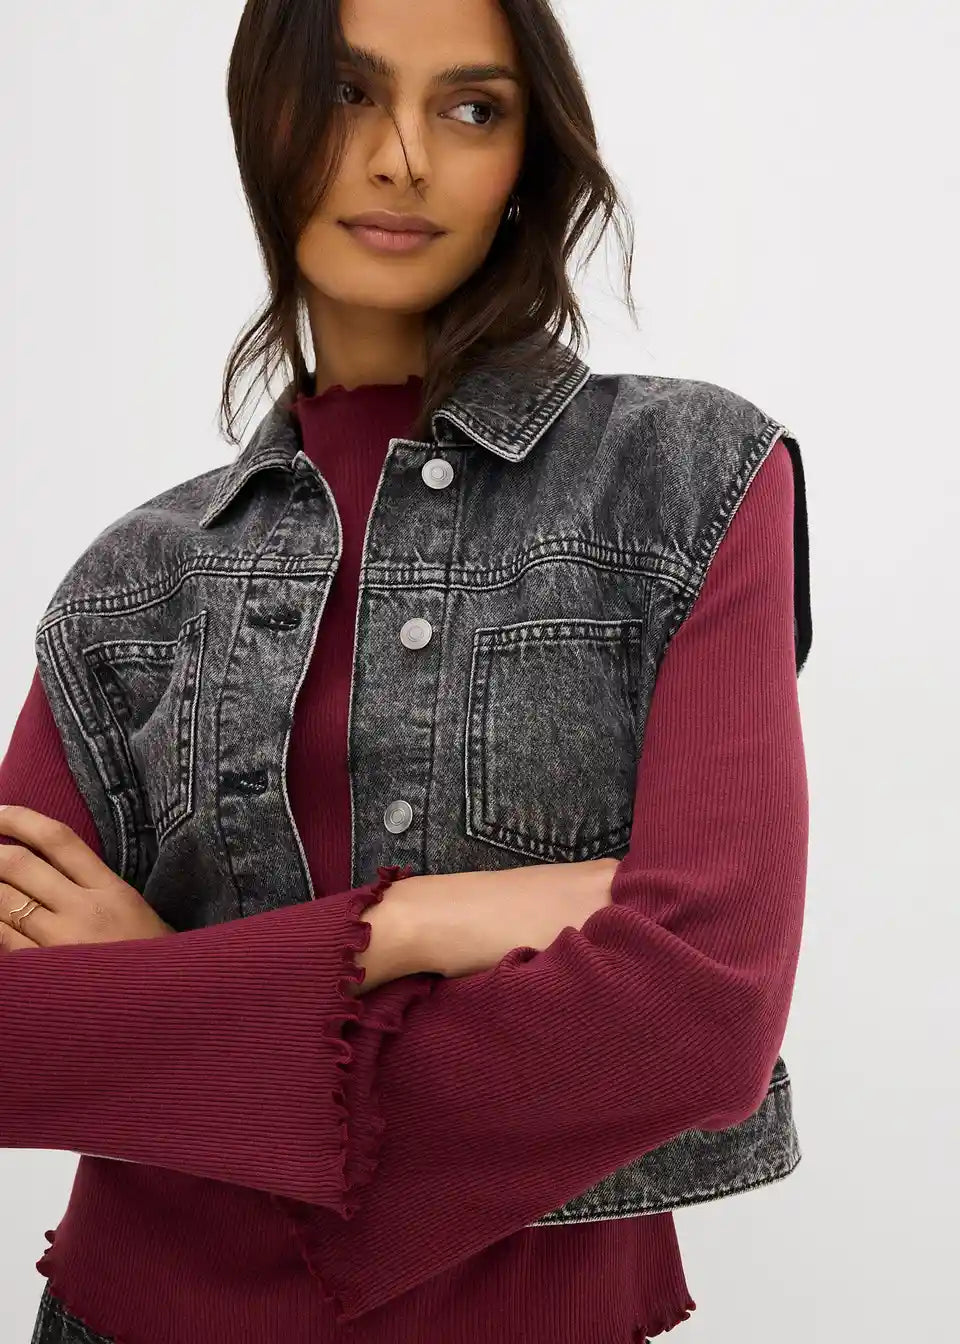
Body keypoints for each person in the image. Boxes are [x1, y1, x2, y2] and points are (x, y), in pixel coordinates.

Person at [0, 1, 810, 1341]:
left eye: (471, 109)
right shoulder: (135, 577)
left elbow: (705, 1015)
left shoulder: (690, 485)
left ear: (527, 161)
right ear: (265, 123)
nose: (402, 157)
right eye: (347, 95)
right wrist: (417, 927)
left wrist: (174, 996)